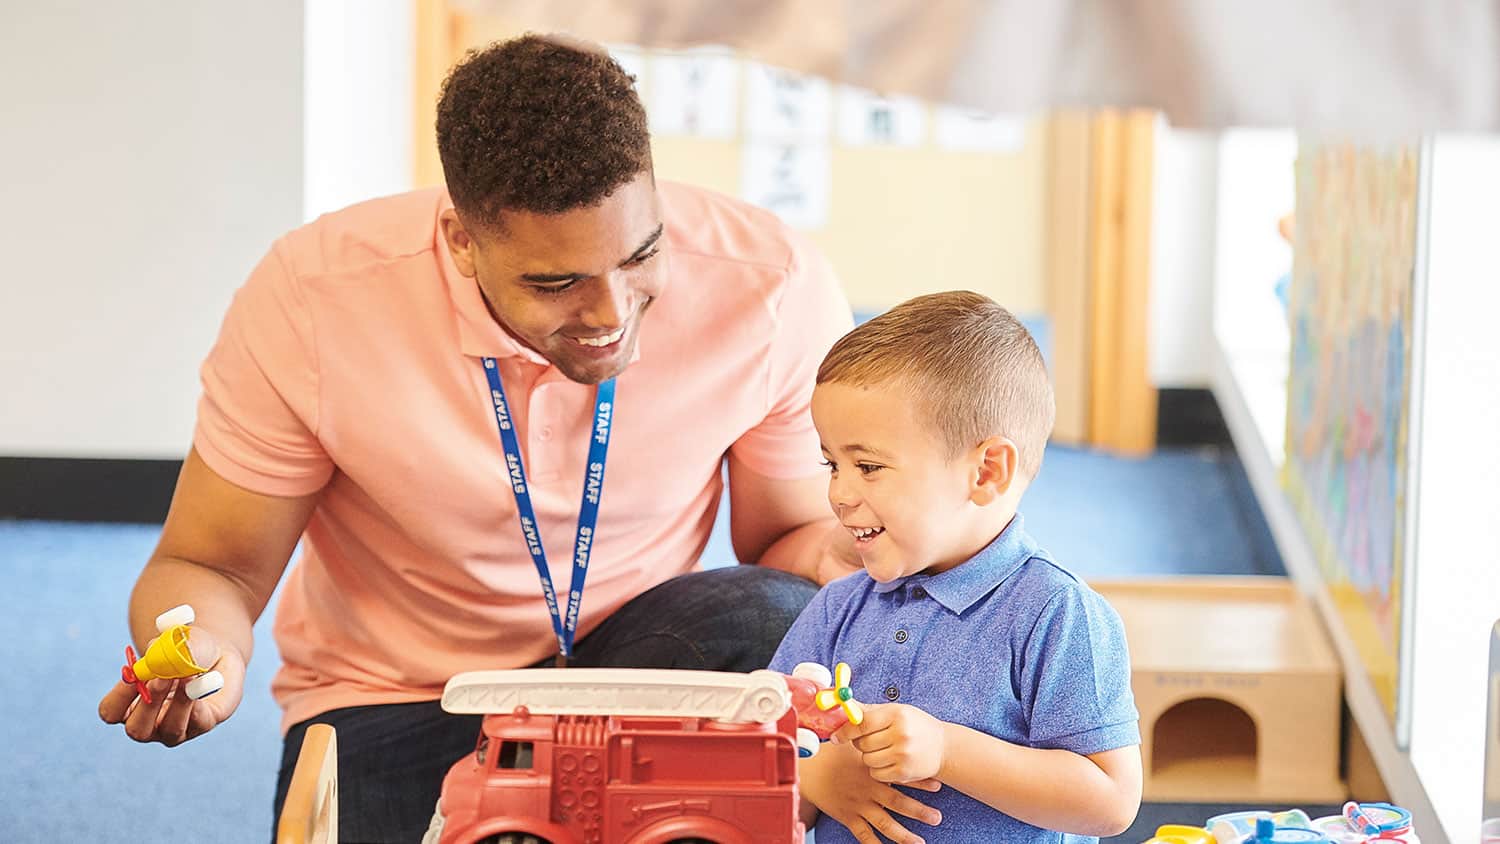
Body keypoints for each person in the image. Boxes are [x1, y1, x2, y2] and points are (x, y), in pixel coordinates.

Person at [97, 34, 858, 842]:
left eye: (641, 254)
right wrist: (197, 656)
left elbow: (785, 537)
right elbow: (209, 564)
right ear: (461, 239)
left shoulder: (771, 286)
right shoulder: (312, 298)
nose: (611, 313)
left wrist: (851, 557)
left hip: (638, 657)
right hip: (402, 692)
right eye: (555, 282)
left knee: (786, 618)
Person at [770, 291, 1143, 844]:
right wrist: (814, 775)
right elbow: (762, 748)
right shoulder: (836, 609)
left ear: (986, 471)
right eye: (832, 464)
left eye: (867, 466)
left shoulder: (1057, 614)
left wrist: (946, 750)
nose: (838, 494)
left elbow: (1110, 801)